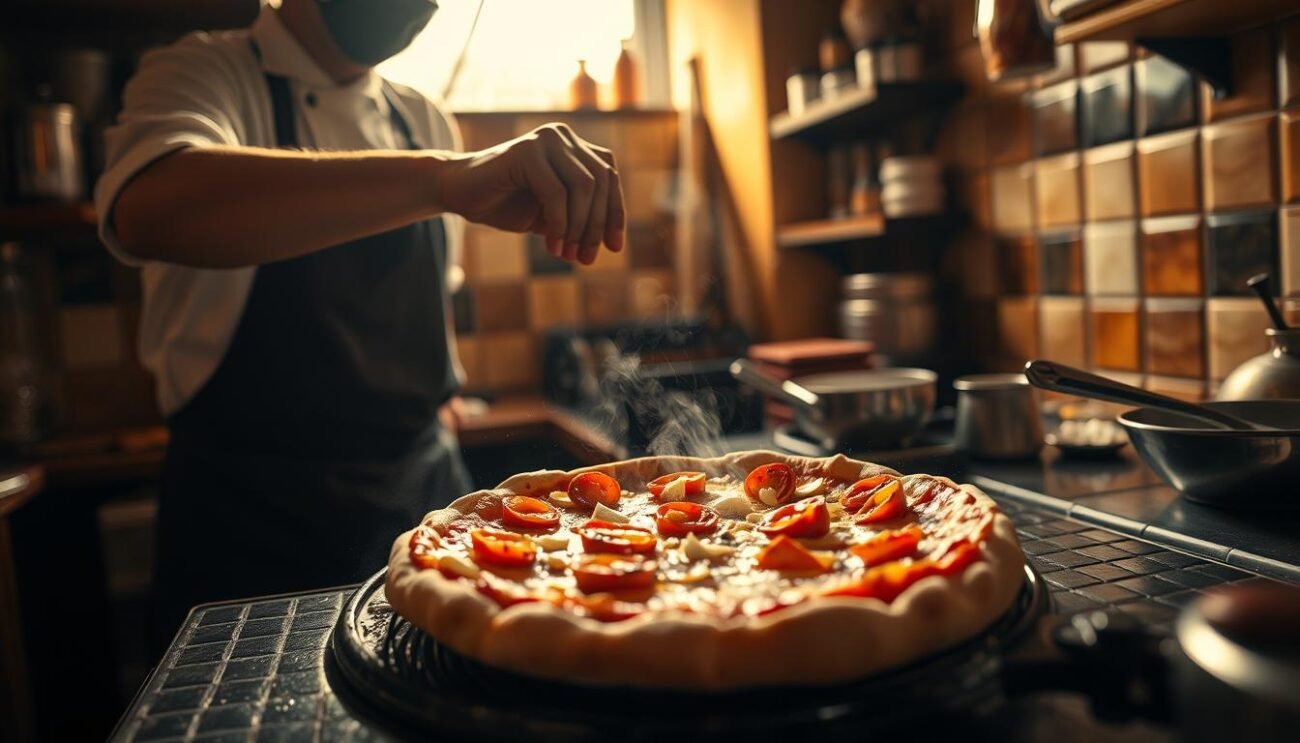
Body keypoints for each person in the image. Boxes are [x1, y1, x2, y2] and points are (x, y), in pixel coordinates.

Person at [95, 0, 625, 647]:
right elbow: (150, 211)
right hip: (250, 526)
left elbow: (424, 310)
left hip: (419, 498)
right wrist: (445, 178)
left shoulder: (421, 117)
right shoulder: (205, 72)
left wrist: (442, 398)